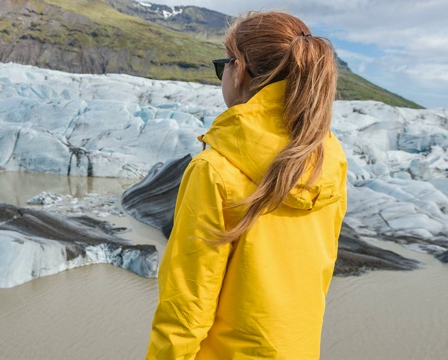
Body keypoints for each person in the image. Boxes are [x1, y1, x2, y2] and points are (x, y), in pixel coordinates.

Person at [146, 11, 347, 359]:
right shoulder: (327, 160)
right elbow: (320, 274)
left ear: (239, 69)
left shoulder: (215, 169)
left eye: (222, 62)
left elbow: (187, 305)